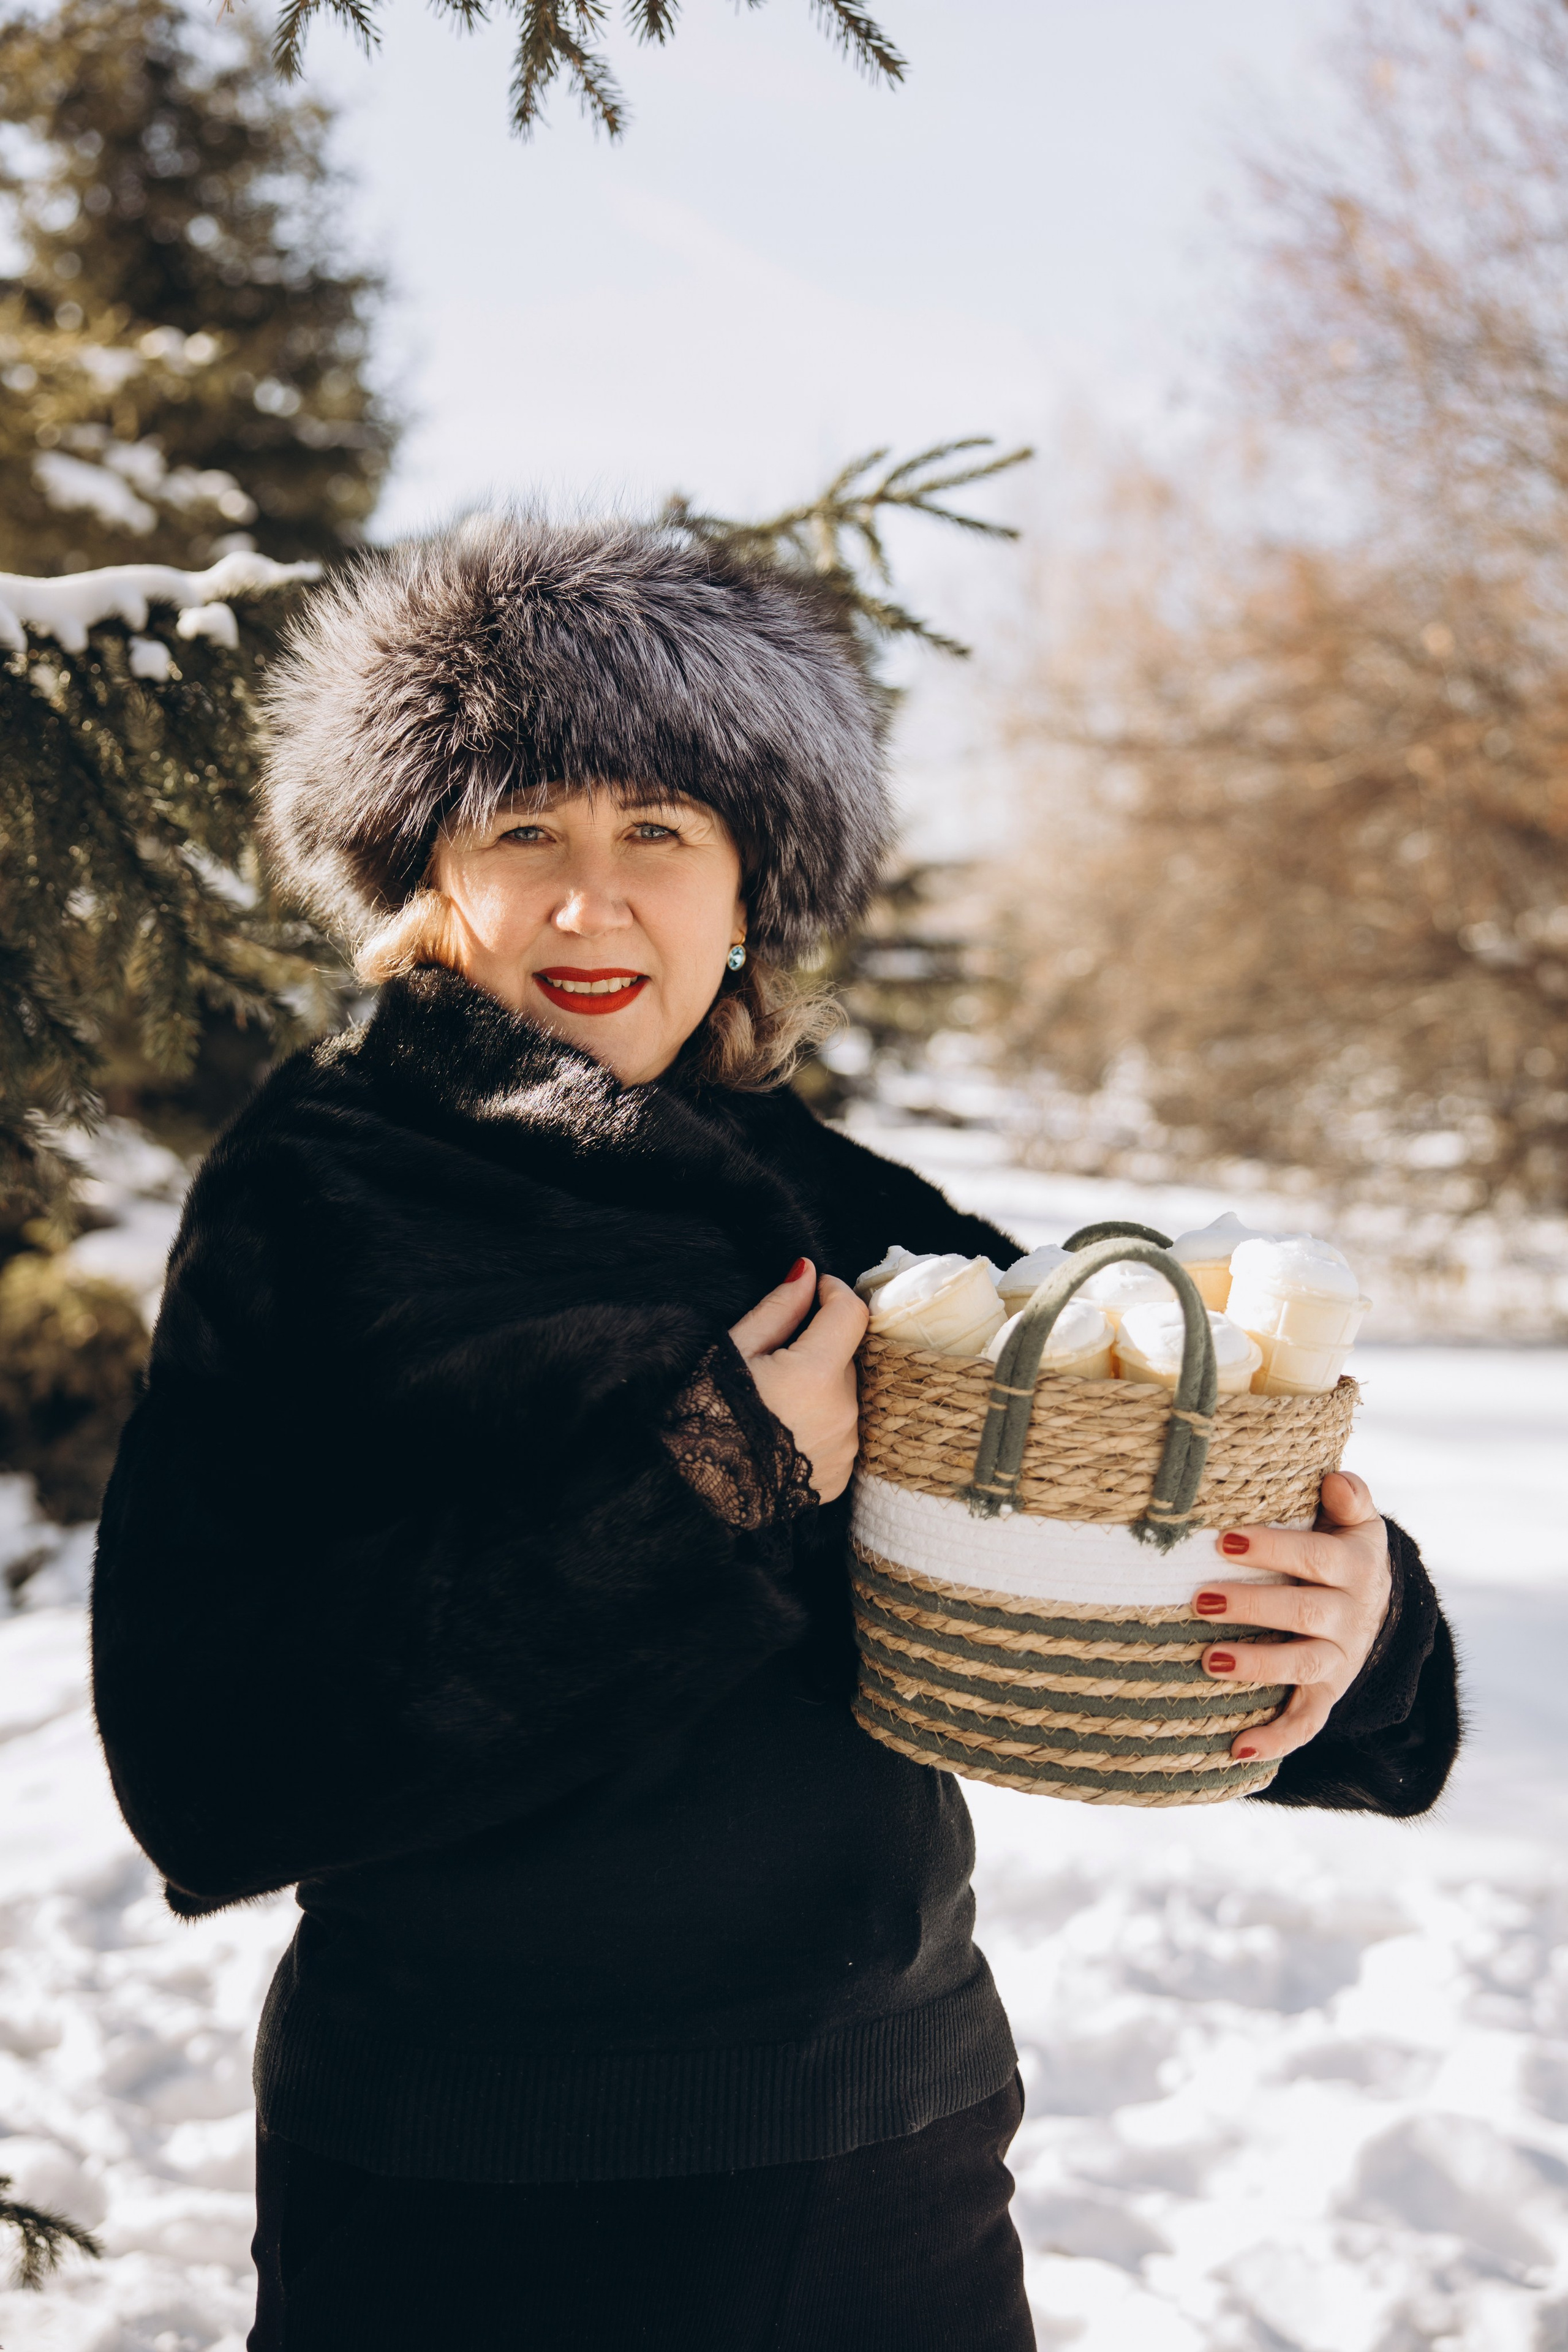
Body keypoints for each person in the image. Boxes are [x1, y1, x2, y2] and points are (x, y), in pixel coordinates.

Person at [90, 518, 1460, 2352]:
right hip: (463, 2195)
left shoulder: (848, 1209)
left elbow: (1121, 1558)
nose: (594, 901)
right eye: (526, 833)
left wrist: (1356, 1639)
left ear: (748, 888)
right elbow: (212, 1764)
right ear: (431, 877)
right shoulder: (317, 1198)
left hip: (891, 2170)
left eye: (658, 833)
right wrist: (710, 1484)